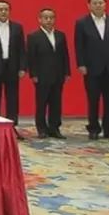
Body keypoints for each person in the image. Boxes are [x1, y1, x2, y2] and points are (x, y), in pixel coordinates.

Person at [74, 0, 109, 140]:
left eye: (101, 3)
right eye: (95, 3)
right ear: (89, 5)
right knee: (93, 100)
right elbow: (79, 45)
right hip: (92, 68)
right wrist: (81, 64)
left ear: (105, 5)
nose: (98, 5)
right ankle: (93, 129)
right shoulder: (82, 23)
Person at [27, 8, 70, 139]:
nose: (49, 20)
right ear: (40, 19)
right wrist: (33, 74)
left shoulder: (60, 35)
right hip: (41, 76)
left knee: (56, 103)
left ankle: (54, 128)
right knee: (42, 103)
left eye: (51, 17)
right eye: (45, 18)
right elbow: (31, 57)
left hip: (58, 75)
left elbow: (65, 55)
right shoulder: (33, 36)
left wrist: (67, 72)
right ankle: (41, 129)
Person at [0, 0, 26, 138]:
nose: (3, 12)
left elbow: (22, 49)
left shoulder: (17, 27)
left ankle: (12, 127)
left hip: (12, 67)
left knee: (12, 98)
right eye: (0, 9)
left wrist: (22, 67)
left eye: (6, 9)